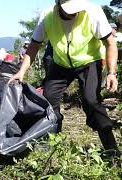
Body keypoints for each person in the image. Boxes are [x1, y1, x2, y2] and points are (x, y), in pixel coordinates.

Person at [9, 0, 120, 157]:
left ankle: (111, 149)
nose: (74, 12)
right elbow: (34, 46)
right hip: (60, 63)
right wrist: (21, 72)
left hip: (89, 62)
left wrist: (111, 73)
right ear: (58, 3)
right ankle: (53, 142)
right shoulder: (47, 16)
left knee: (92, 101)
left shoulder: (93, 12)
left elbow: (110, 43)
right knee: (48, 100)